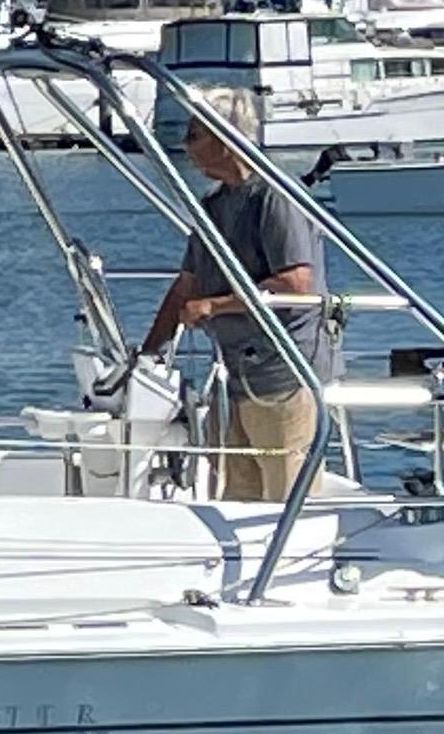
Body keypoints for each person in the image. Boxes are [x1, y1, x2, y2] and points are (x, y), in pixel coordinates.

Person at [140, 102, 333, 504]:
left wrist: (214, 306)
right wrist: (147, 354)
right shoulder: (210, 207)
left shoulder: (274, 197)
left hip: (283, 375)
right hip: (235, 375)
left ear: (226, 140)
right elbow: (185, 287)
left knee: (286, 494)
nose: (185, 145)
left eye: (194, 135)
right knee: (236, 494)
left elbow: (296, 284)